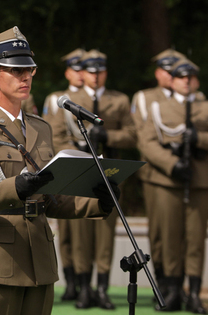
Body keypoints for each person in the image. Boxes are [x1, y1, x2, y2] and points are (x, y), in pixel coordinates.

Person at [0, 27, 115, 315]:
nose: (25, 76)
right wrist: (14, 188)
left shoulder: (41, 128)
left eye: (29, 69)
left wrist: (99, 203)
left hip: (39, 260)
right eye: (15, 70)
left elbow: (51, 200)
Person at [137, 57, 208, 313]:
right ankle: (173, 291)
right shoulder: (158, 108)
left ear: (197, 81)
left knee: (196, 238)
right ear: (173, 81)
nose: (186, 81)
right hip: (168, 180)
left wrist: (200, 138)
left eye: (191, 77)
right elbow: (147, 142)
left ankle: (195, 293)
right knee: (170, 237)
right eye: (181, 77)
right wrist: (172, 164)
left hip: (199, 180)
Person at [51, 50, 137, 310]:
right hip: (80, 171)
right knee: (80, 234)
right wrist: (77, 150)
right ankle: (84, 287)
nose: (96, 76)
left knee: (105, 234)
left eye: (100, 71)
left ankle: (102, 288)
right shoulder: (67, 101)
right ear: (83, 74)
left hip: (108, 172)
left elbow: (132, 135)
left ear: (105, 73)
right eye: (90, 71)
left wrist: (109, 136)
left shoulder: (119, 100)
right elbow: (56, 137)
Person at [130, 48, 185, 296]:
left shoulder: (192, 97)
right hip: (156, 173)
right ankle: (162, 283)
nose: (171, 76)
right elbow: (143, 137)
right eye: (166, 71)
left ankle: (180, 285)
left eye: (175, 71)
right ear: (157, 73)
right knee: (160, 232)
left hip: (186, 174)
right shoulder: (145, 98)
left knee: (185, 232)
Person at [41, 48, 84, 302]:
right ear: (68, 72)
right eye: (77, 70)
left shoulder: (95, 99)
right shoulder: (56, 99)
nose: (81, 75)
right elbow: (49, 134)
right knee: (66, 231)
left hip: (88, 165)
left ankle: (86, 283)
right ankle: (70, 282)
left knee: (86, 230)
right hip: (66, 166)